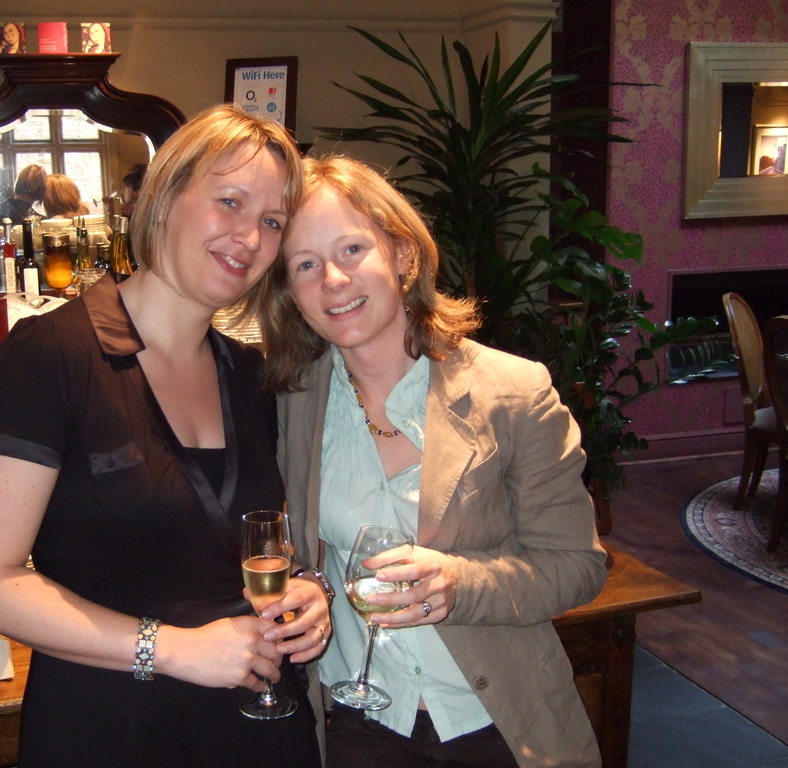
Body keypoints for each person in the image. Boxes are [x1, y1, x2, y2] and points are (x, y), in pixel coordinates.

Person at [0, 105, 327, 768]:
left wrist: (305, 589)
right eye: (230, 201)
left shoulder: (250, 376)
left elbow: (220, 545)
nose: (249, 237)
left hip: (252, 726)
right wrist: (171, 648)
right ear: (167, 195)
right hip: (110, 725)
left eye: (272, 221)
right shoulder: (52, 356)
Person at [253, 155, 608, 768]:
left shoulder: (514, 393)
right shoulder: (292, 402)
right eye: (305, 264)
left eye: (352, 249)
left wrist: (458, 585)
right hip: (359, 723)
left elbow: (578, 566)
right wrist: (309, 585)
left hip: (498, 722)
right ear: (290, 291)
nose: (333, 279)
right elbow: (301, 551)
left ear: (402, 254)